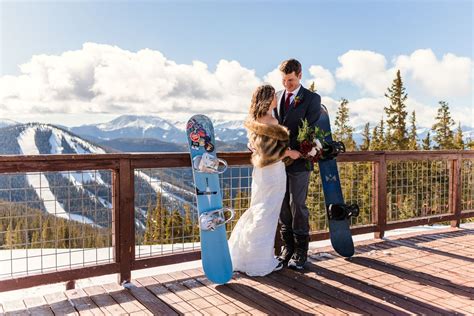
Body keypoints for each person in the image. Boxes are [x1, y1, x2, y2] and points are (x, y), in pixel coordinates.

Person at [228, 84, 301, 276]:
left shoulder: (253, 122)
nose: (277, 98)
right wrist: (291, 153)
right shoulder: (271, 121)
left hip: (260, 173)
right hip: (274, 173)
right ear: (268, 99)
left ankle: (245, 256)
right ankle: (260, 262)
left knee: (257, 210)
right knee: (267, 215)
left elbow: (257, 148)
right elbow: (275, 152)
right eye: (274, 96)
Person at [274, 59, 322, 270]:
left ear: (300, 75)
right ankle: (288, 248)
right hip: (277, 162)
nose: (287, 85)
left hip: (299, 162)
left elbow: (311, 131)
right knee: (282, 205)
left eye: (291, 80)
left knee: (297, 205)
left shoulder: (312, 99)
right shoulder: (276, 97)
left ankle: (301, 251)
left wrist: (297, 152)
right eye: (284, 80)